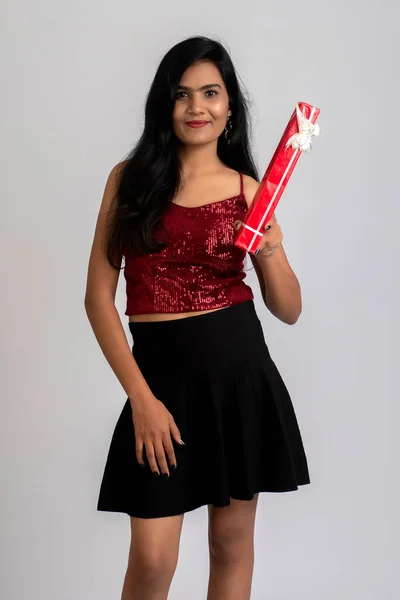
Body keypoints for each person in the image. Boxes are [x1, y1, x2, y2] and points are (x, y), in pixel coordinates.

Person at [84, 35, 310, 600]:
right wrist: (141, 399)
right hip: (158, 387)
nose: (197, 107)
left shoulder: (248, 191)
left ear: (230, 105)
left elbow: (288, 310)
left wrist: (271, 248)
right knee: (153, 561)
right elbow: (97, 299)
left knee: (230, 548)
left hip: (239, 382)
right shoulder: (128, 180)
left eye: (210, 93)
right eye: (182, 95)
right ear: (165, 105)